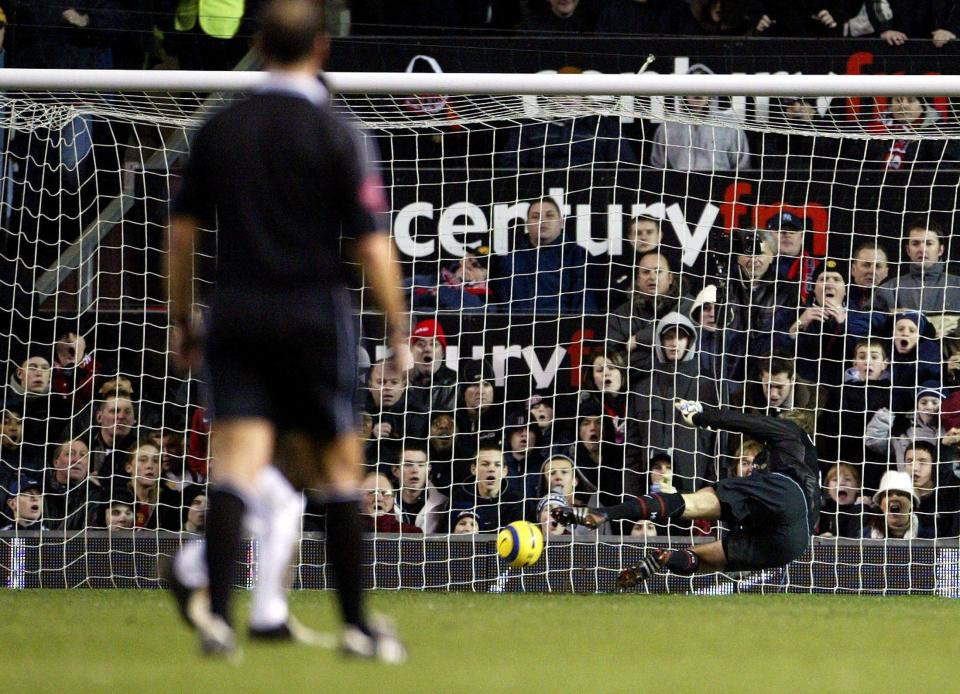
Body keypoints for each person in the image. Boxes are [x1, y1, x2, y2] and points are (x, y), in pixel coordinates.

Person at [164, 0, 408, 661]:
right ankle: (357, 626)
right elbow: (372, 245)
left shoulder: (221, 128)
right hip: (311, 315)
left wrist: (183, 319)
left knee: (235, 467)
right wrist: (399, 329)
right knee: (337, 473)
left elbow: (181, 236)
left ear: (259, 46)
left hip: (236, 311)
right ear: (322, 49)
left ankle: (217, 619)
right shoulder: (339, 132)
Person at [554, 401, 819, 587]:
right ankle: (668, 558)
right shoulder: (812, 463)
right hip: (794, 542)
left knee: (688, 502)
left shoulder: (790, 431)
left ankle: (603, 514)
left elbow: (745, 422)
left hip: (786, 492)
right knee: (708, 559)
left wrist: (701, 416)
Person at [489, 197, 596, 314]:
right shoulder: (510, 260)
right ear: (527, 224)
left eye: (549, 215)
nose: (542, 220)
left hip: (562, 329)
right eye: (535, 216)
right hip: (518, 329)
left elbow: (586, 305)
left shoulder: (577, 256)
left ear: (561, 222)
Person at [608, 250, 694, 374]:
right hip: (637, 387)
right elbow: (615, 361)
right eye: (646, 272)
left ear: (670, 278)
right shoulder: (621, 315)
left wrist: (639, 339)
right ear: (637, 280)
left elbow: (692, 348)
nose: (652, 277)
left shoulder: (690, 307)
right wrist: (662, 362)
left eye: (658, 271)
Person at [649, 88, 751, 172]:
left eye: (703, 87)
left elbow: (742, 166)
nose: (698, 93)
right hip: (679, 190)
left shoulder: (729, 126)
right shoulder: (668, 126)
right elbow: (658, 166)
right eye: (693, 87)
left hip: (720, 189)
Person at [875, 218, 960, 316]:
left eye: (928, 243)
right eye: (915, 244)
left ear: (941, 250)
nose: (922, 249)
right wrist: (888, 316)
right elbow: (862, 323)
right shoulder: (889, 289)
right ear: (908, 250)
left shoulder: (957, 286)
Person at [43, 438, 104, 530]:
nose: (76, 460)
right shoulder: (40, 491)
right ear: (56, 463)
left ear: (88, 465)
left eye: (83, 455)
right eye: (70, 454)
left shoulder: (96, 495)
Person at [406, 319, 457, 413]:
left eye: (433, 344)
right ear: (411, 352)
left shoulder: (456, 383)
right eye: (420, 344)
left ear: (443, 353)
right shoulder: (402, 381)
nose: (427, 349)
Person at [865, 471, 931, 539]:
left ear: (911, 503)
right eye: (888, 494)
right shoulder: (864, 536)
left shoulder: (930, 536)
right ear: (881, 505)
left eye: (900, 494)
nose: (894, 498)